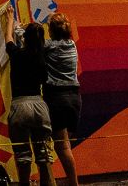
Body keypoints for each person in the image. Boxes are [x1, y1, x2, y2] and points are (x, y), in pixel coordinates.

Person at [3, 9, 55, 186]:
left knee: (23, 156)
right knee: (43, 154)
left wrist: (10, 20)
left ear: (25, 38)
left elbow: (8, 39)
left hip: (20, 105)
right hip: (39, 105)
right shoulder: (42, 58)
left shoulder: (17, 54)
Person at [44, 13, 80, 186]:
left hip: (57, 98)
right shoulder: (72, 44)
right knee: (66, 144)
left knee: (62, 146)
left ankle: (73, 183)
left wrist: (17, 29)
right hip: (74, 97)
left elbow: (30, 44)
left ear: (51, 31)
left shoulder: (49, 46)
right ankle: (70, 181)